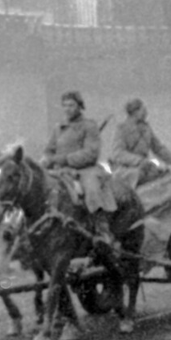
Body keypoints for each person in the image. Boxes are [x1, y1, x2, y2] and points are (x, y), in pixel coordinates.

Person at [42, 90, 118, 251]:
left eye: (71, 105)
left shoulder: (89, 126)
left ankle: (102, 230)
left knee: (92, 189)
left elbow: (90, 153)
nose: (67, 109)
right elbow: (49, 150)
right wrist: (46, 159)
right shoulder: (59, 128)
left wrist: (64, 159)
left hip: (85, 170)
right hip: (60, 171)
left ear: (79, 106)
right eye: (65, 106)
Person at [110, 98, 171, 187]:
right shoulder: (122, 129)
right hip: (126, 169)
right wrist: (139, 161)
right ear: (135, 112)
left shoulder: (146, 129)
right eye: (143, 110)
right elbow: (118, 153)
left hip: (145, 167)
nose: (145, 112)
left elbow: (159, 149)